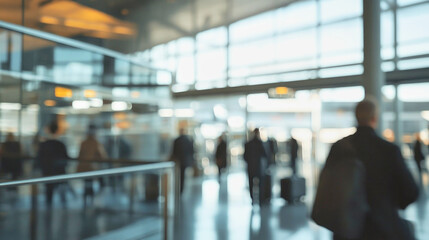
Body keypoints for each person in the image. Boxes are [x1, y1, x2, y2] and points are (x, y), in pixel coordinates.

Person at [330, 98, 419, 240]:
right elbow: (411, 192)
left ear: (357, 117)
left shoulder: (339, 148)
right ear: (375, 118)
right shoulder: (389, 150)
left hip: (346, 230)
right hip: (383, 228)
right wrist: (391, 205)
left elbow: (329, 187)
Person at [37, 121, 70, 207]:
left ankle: (49, 209)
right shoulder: (60, 144)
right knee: (62, 194)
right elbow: (66, 158)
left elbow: (39, 158)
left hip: (48, 171)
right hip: (59, 172)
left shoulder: (44, 145)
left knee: (49, 192)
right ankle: (63, 211)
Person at [77, 124, 108, 204]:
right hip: (92, 168)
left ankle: (87, 201)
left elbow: (80, 155)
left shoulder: (84, 143)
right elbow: (103, 156)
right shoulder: (96, 143)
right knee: (94, 184)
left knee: (87, 184)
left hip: (84, 167)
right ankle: (91, 201)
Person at [243, 128, 268, 205]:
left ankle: (252, 199)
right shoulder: (260, 143)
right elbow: (264, 155)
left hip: (250, 167)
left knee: (251, 184)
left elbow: (245, 156)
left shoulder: (248, 144)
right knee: (260, 184)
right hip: (258, 167)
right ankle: (260, 200)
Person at [171, 128, 194, 194]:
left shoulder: (177, 140)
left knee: (179, 175)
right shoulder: (188, 140)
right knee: (182, 175)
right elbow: (191, 150)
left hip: (178, 160)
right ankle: (181, 189)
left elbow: (174, 151)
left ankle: (178, 188)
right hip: (185, 160)